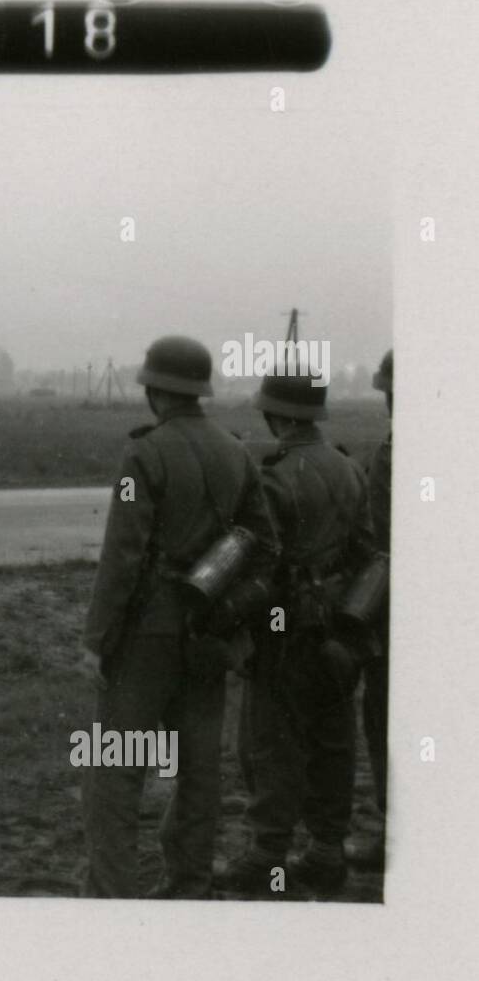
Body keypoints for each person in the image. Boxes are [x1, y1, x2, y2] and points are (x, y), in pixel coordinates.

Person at [80, 336, 276, 899]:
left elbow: (122, 555)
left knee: (115, 769)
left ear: (156, 391)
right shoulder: (235, 451)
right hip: (210, 630)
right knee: (198, 769)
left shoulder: (144, 453)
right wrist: (224, 597)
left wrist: (96, 639)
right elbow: (265, 543)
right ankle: (190, 884)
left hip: (147, 633)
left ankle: (111, 894)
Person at [219, 372, 376, 897]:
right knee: (333, 740)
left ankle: (267, 855)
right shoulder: (353, 468)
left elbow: (258, 558)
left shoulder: (275, 478)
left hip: (285, 629)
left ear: (279, 416)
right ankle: (327, 852)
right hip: (342, 631)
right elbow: (370, 555)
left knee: (272, 743)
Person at [357, 349, 392, 864]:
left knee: (386, 715)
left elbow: (380, 532)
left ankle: (398, 831)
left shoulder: (394, 449)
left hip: (402, 609)